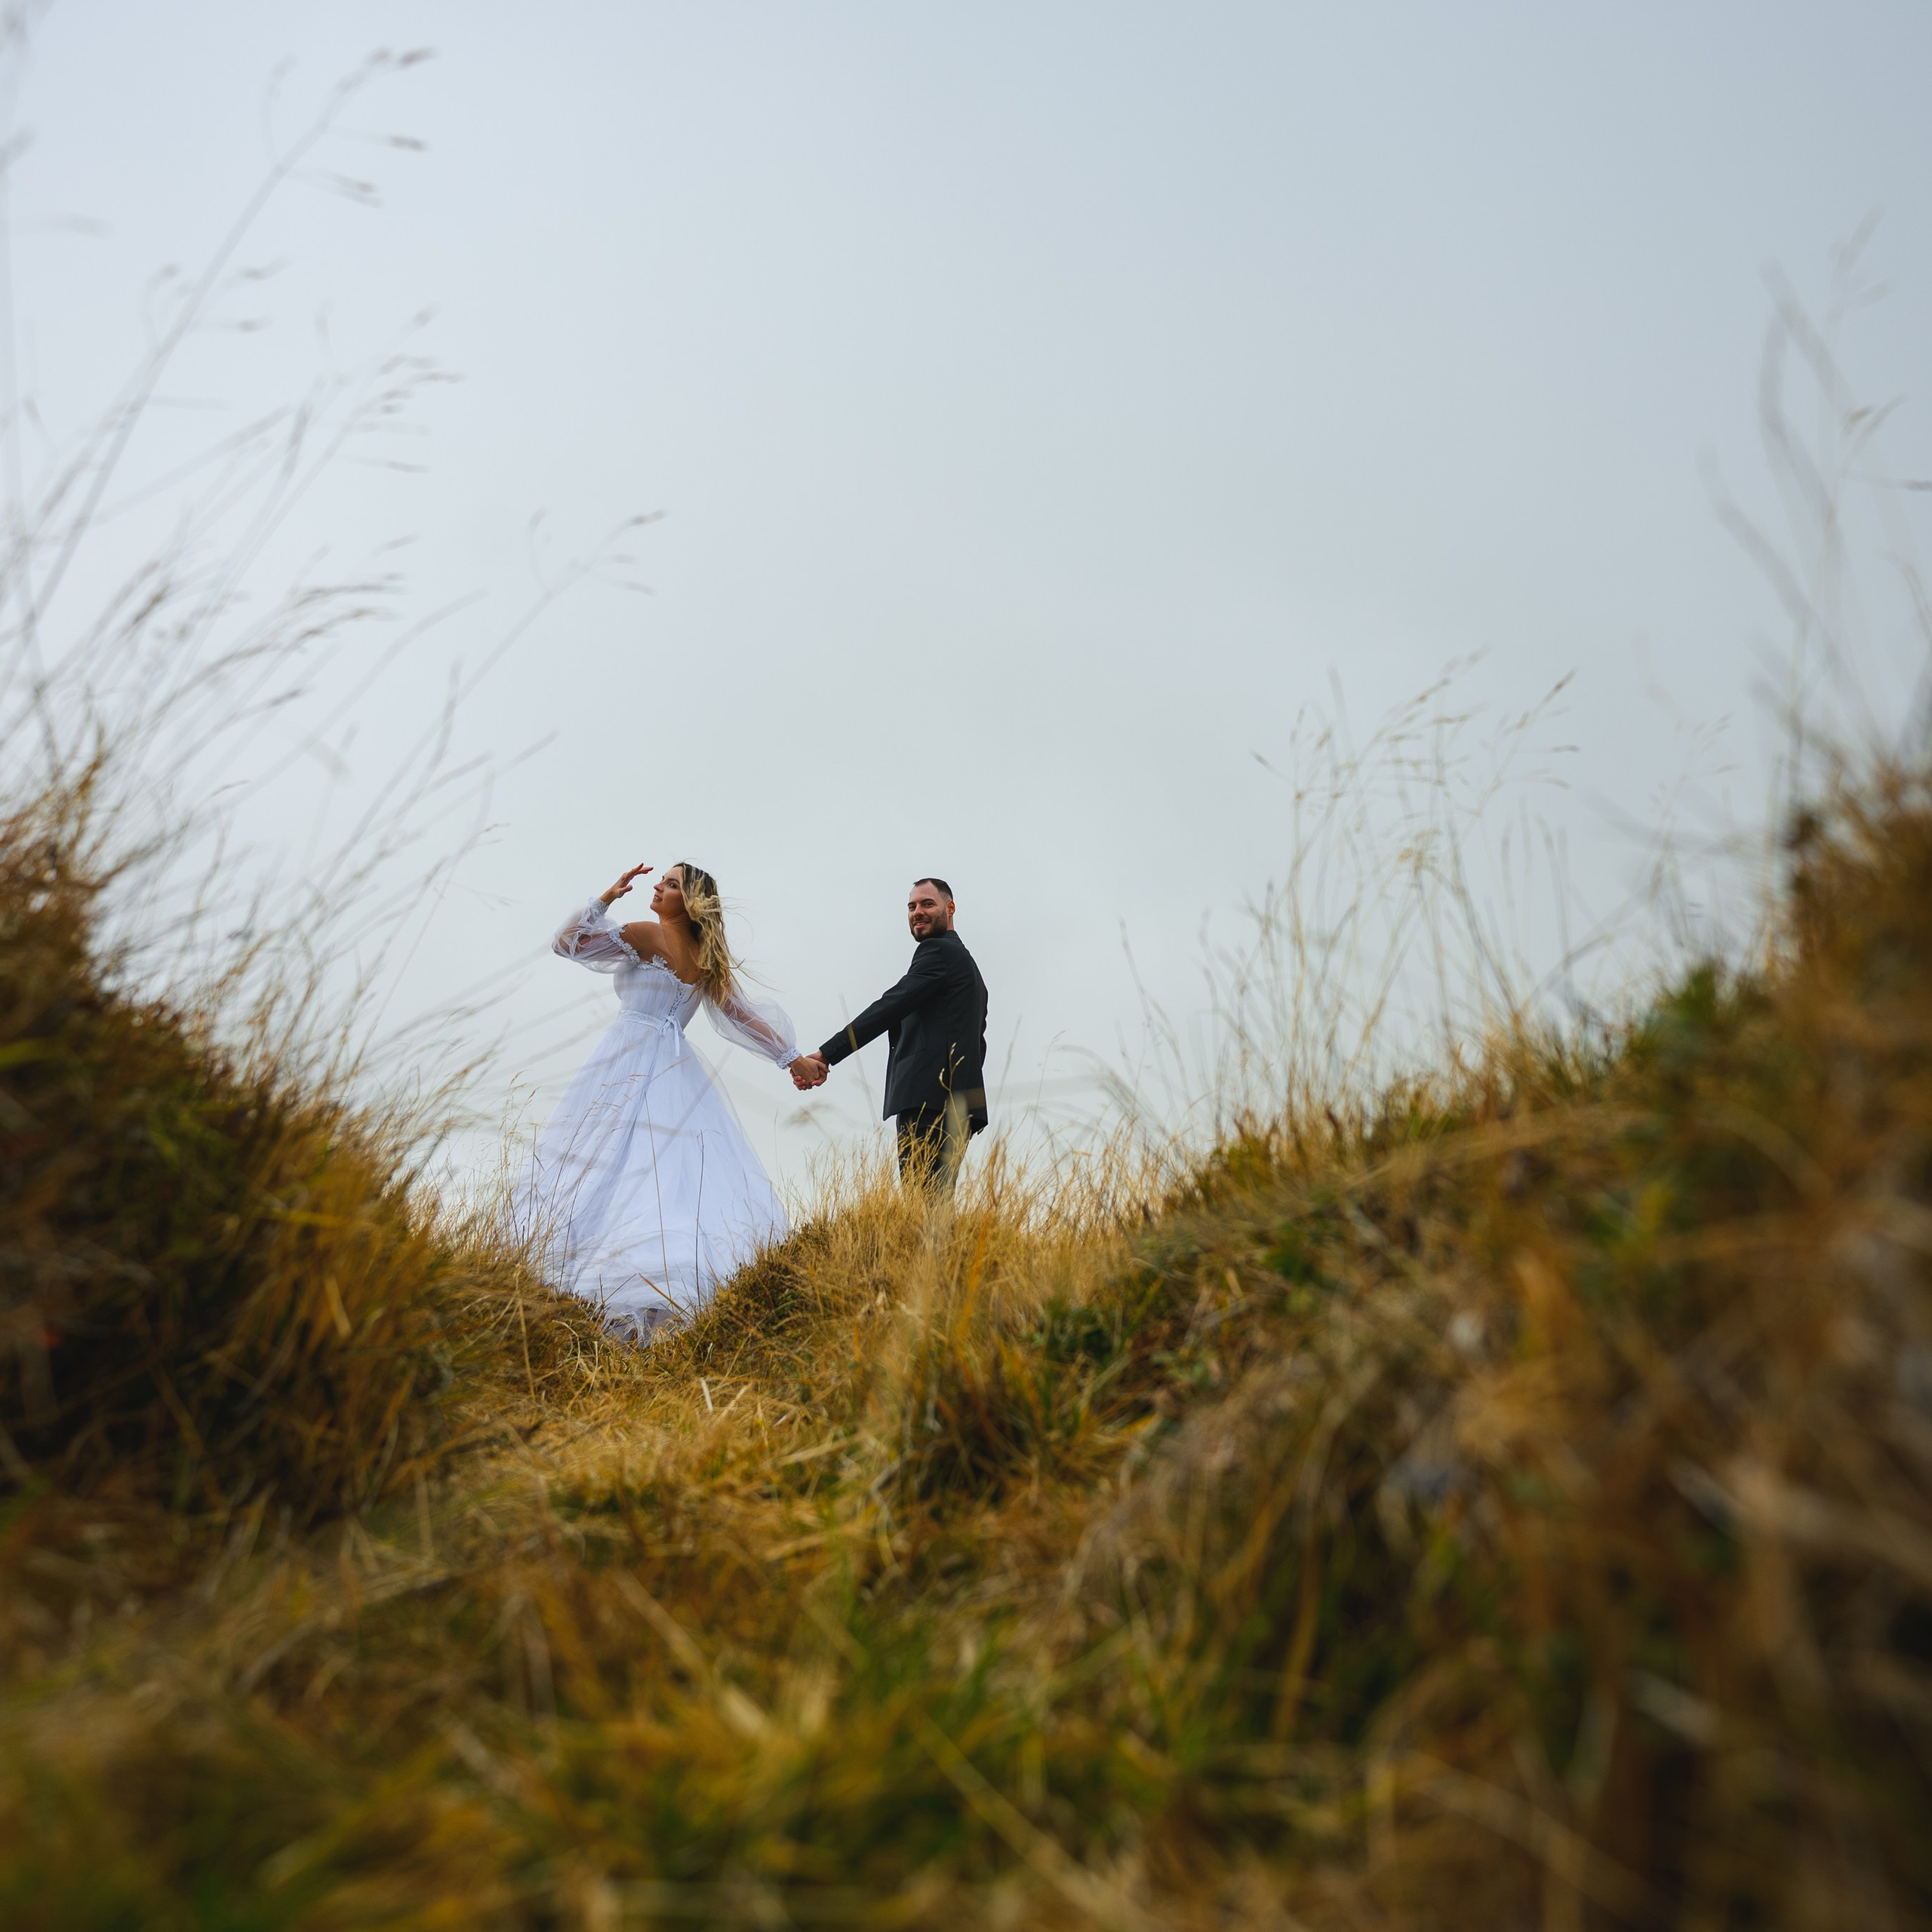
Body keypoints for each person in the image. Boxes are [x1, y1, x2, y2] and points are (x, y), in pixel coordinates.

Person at [518, 861, 804, 1340]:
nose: (658, 887)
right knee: (666, 1172)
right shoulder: (705, 955)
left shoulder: (649, 934)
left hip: (627, 1056)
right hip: (674, 1068)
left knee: (604, 1162)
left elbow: (567, 944)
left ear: (689, 903)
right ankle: (660, 1294)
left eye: (671, 885)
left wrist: (604, 899)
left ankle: (608, 1284)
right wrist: (792, 1058)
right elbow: (742, 1016)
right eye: (663, 881)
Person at [792, 877, 989, 1194]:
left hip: (929, 1099)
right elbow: (978, 1040)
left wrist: (828, 1054)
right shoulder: (968, 968)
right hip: (954, 1104)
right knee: (934, 1204)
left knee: (920, 1203)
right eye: (911, 906)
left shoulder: (938, 951)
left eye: (927, 904)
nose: (917, 912)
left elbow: (890, 1006)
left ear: (950, 908)